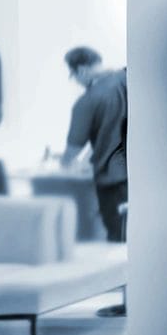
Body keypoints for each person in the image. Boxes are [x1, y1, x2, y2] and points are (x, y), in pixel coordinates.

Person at [62, 48, 130, 272]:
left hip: (113, 181)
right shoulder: (128, 78)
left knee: (119, 242)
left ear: (81, 70)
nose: (75, 81)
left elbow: (72, 150)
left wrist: (65, 165)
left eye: (73, 75)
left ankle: (123, 294)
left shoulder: (88, 101)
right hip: (139, 176)